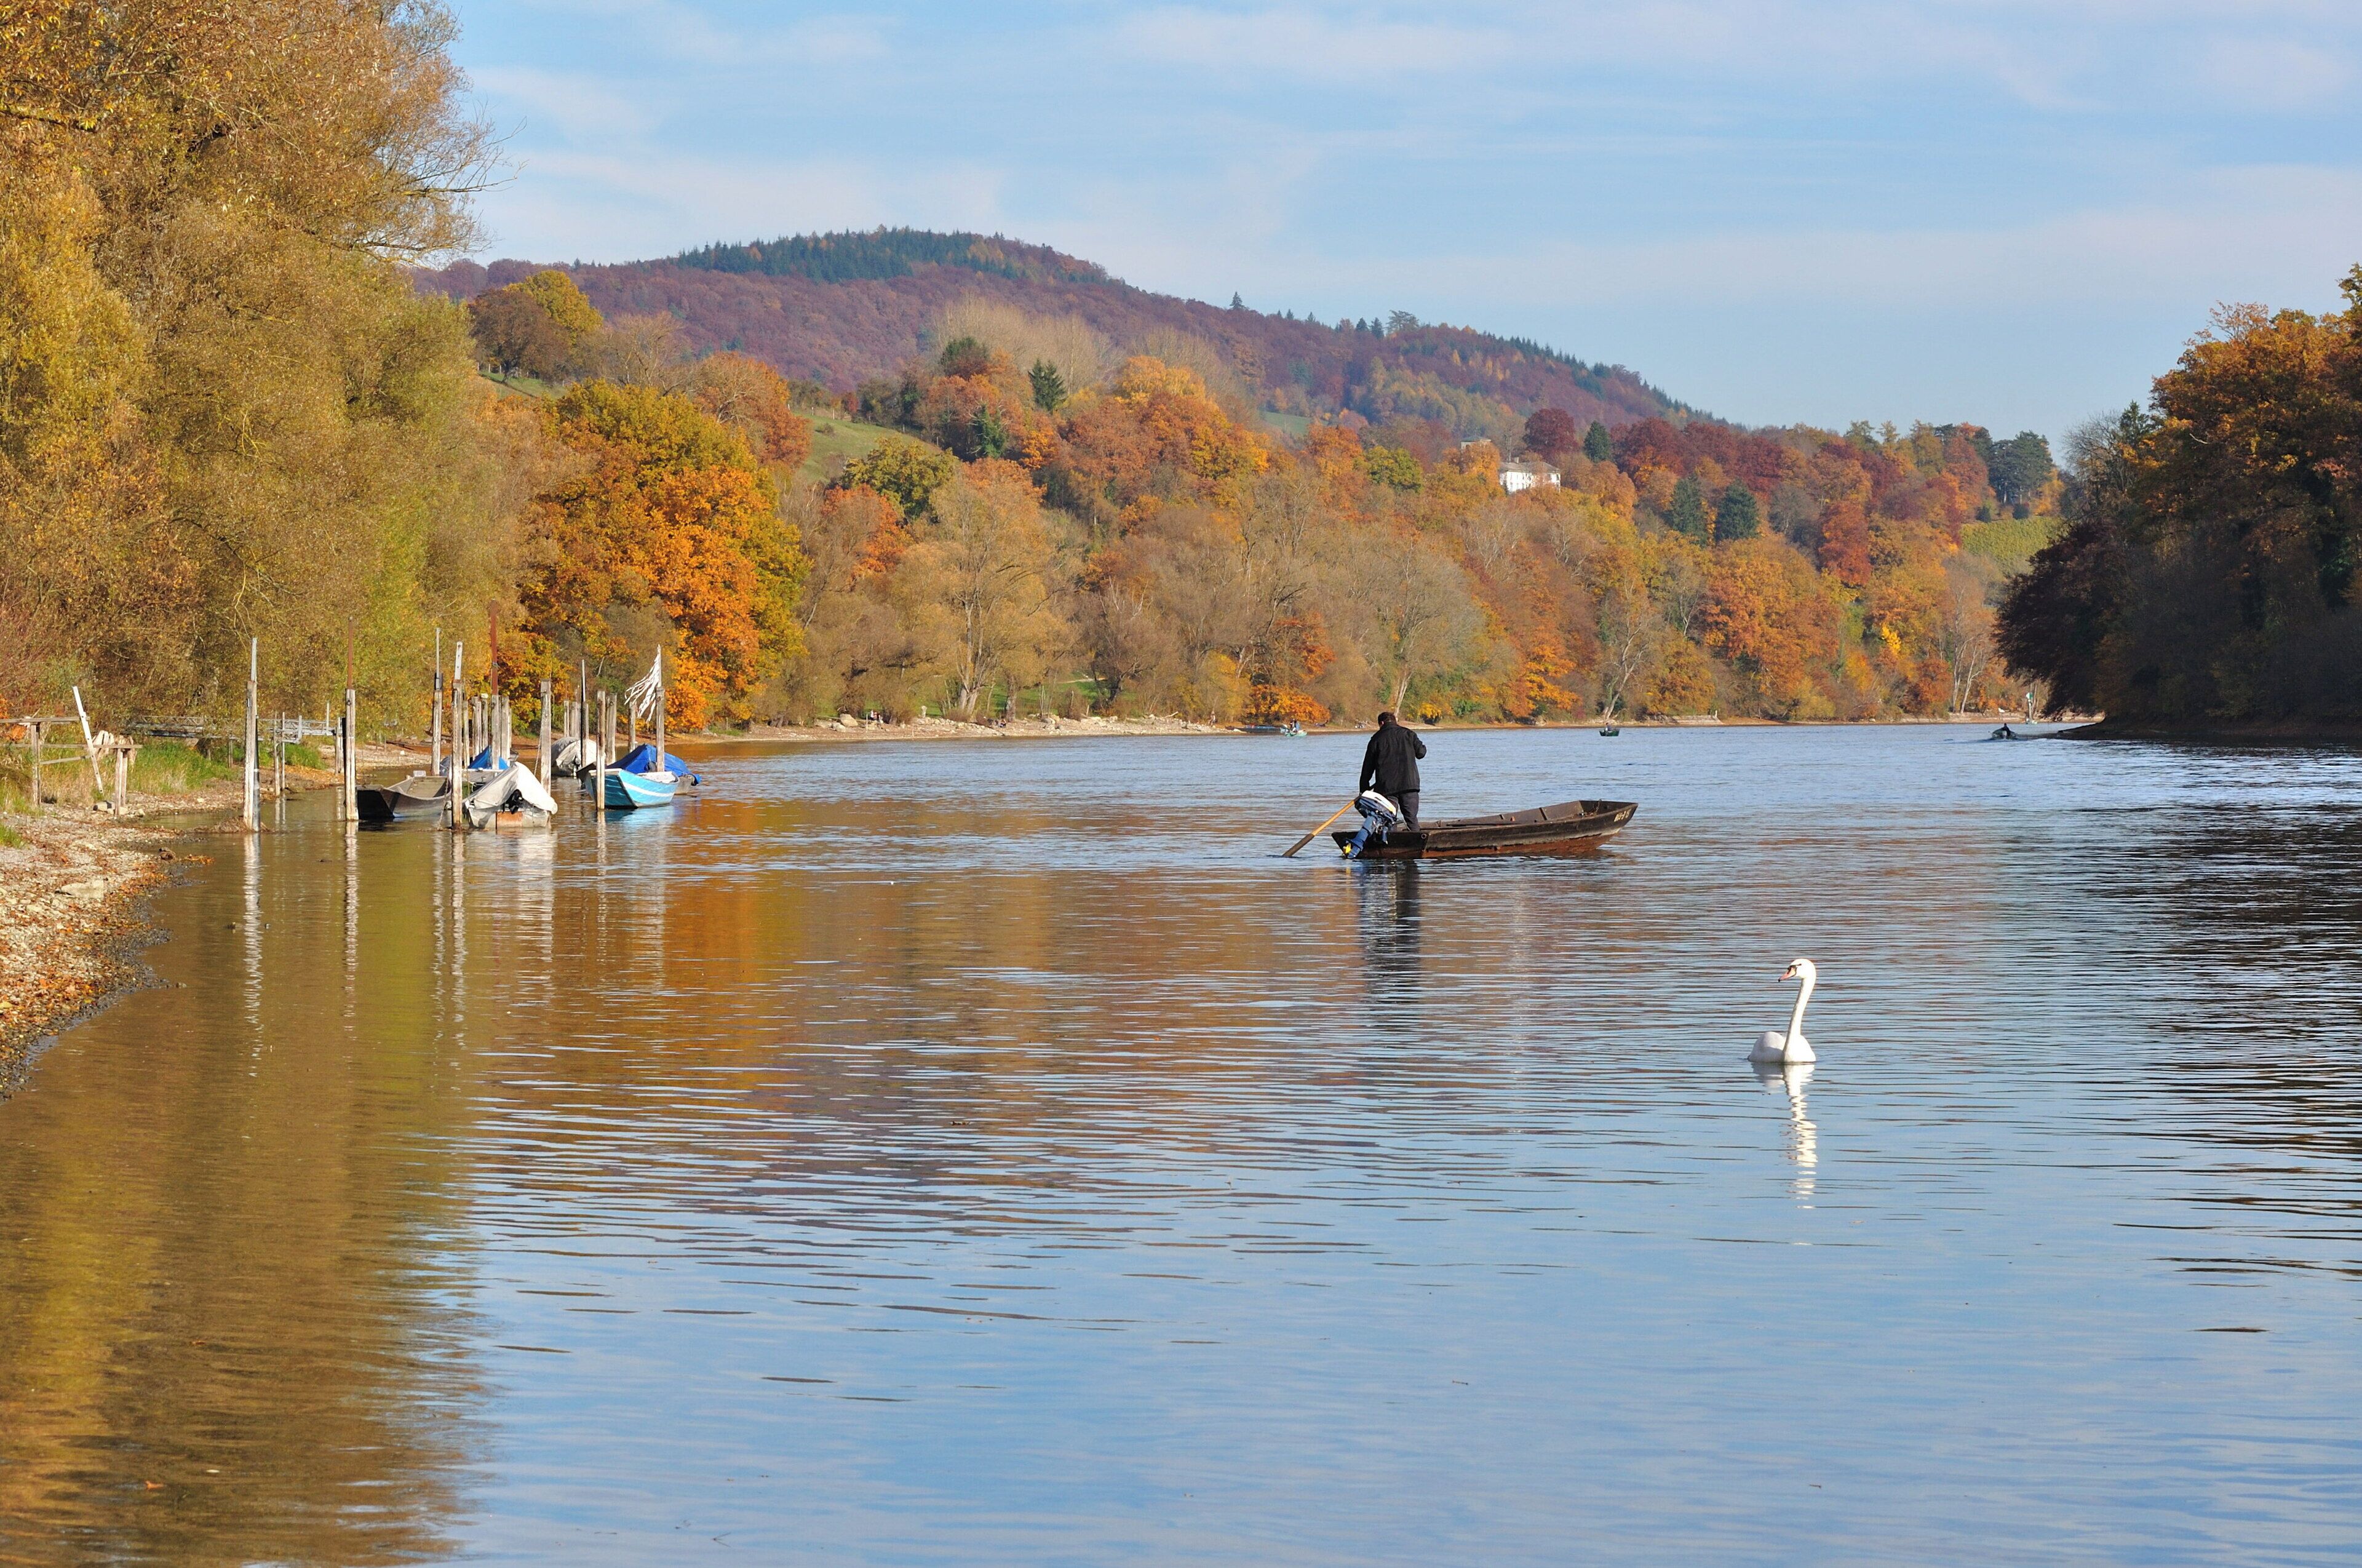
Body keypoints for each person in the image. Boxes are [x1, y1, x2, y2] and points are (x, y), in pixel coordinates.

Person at [1359, 712, 1425, 829]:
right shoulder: (1409, 734)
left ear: (1382, 723)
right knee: (1412, 819)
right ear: (1396, 721)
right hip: (1409, 785)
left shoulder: (1376, 739)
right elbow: (1421, 753)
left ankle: (1391, 844)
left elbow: (1367, 767)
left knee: (1389, 819)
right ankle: (1418, 843)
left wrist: (1364, 788)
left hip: (1386, 788)